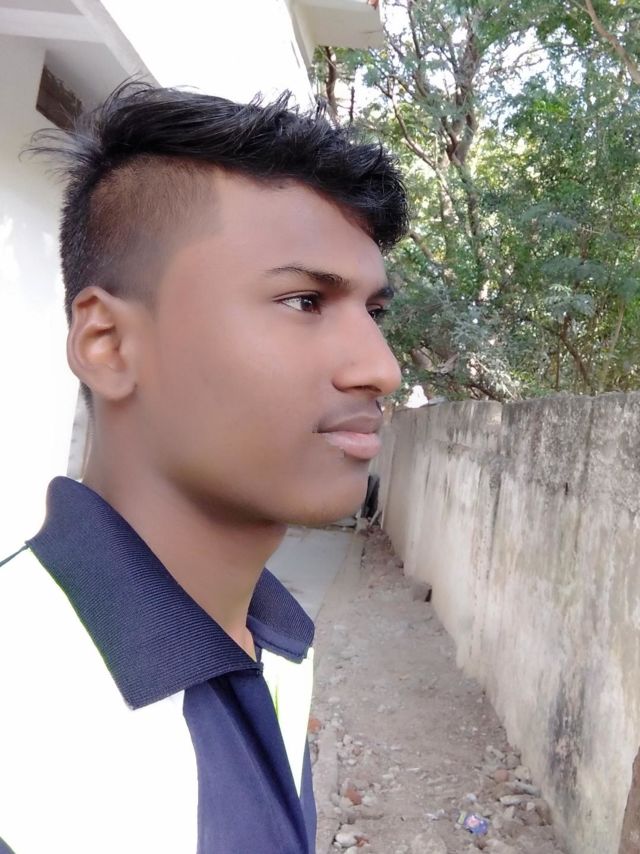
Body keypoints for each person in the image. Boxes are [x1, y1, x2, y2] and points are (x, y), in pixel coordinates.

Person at [0, 83, 407, 854]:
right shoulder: (20, 727)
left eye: (374, 313)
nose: (380, 368)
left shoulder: (272, 635)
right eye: (303, 301)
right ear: (108, 345)